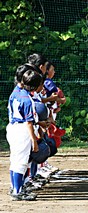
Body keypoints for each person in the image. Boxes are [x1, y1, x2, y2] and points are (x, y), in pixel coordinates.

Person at [7, 70, 43, 201]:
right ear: (34, 86)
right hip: (22, 130)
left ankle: (15, 188)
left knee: (15, 160)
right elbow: (29, 123)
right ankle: (17, 191)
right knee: (21, 163)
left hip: (12, 127)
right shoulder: (28, 99)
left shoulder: (15, 92)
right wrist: (34, 141)